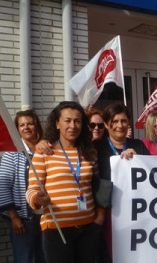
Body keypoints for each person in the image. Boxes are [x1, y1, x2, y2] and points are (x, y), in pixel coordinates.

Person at [25, 101, 102, 263]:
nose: (73, 126)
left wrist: (97, 221)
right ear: (57, 124)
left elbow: (97, 185)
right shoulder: (44, 153)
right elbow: (31, 190)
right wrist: (38, 199)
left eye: (77, 121)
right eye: (67, 120)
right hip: (56, 230)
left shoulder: (90, 153)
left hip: (87, 228)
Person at [94, 103, 150, 262]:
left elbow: (150, 176)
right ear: (106, 124)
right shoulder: (97, 147)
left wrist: (138, 159)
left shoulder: (138, 145)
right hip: (108, 214)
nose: (120, 125)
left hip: (136, 213)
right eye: (115, 121)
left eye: (124, 121)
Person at [0, 110, 46, 263]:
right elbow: (3, 187)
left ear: (36, 125)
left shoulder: (46, 150)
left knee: (44, 257)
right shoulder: (12, 153)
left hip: (45, 216)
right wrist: (14, 217)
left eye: (30, 123)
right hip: (23, 218)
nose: (26, 127)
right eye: (22, 125)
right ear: (17, 129)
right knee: (23, 258)